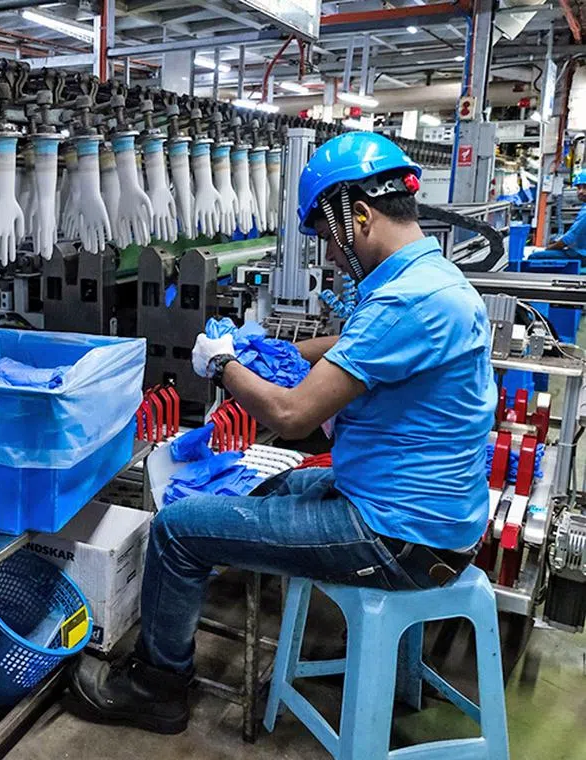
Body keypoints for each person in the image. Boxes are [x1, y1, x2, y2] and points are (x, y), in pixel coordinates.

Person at [67, 132, 497, 735]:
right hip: (434, 520)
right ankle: (201, 596)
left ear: (363, 218)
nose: (330, 255)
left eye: (329, 238)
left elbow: (291, 417)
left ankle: (157, 686)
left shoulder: (406, 303)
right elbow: (357, 345)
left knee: (177, 530)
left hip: (394, 536)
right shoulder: (436, 281)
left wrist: (222, 363)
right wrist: (272, 347)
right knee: (275, 490)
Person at [532, 170, 586, 259]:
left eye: (585, 187)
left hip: (580, 255)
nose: (581, 191)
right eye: (579, 188)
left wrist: (547, 249)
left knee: (534, 257)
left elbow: (567, 240)